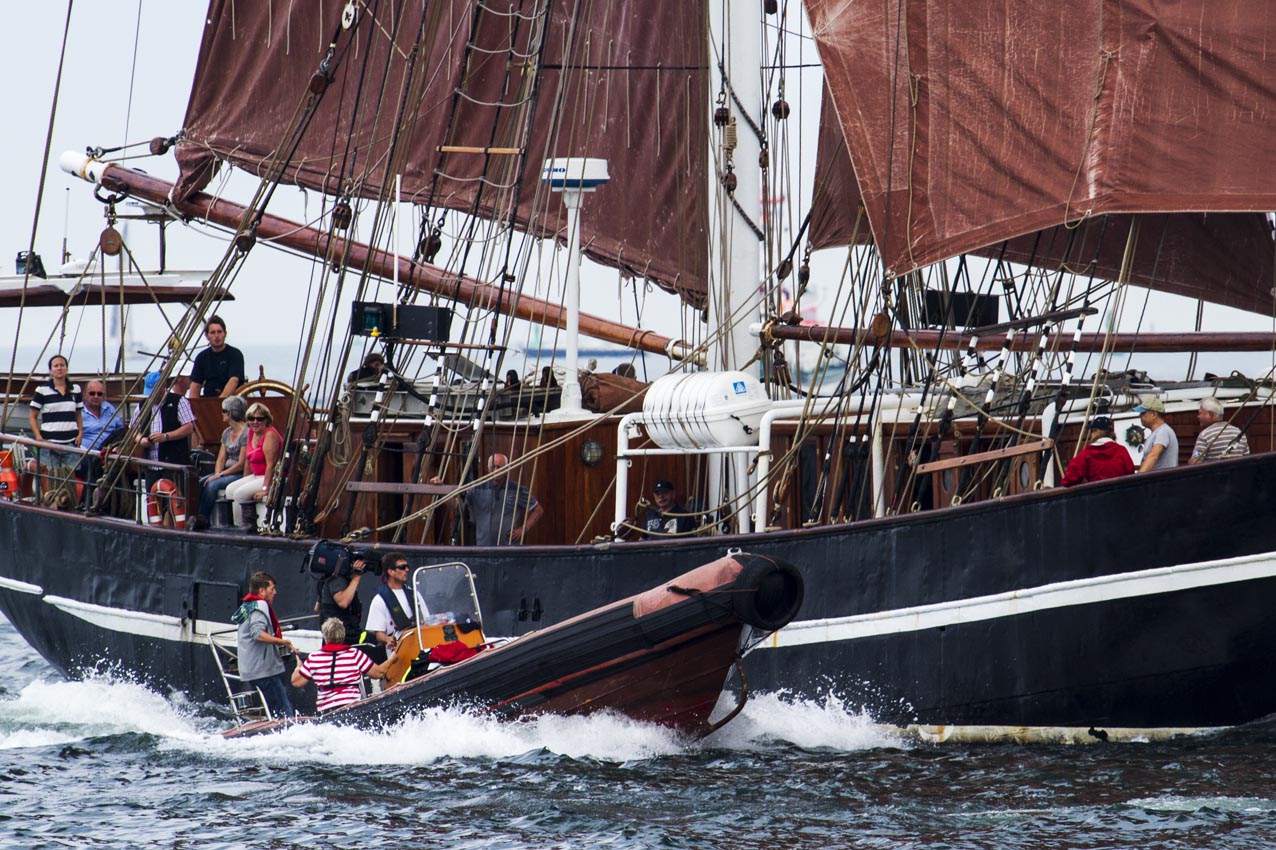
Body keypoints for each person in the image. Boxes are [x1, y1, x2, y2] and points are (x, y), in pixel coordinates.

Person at [436, 453, 543, 546]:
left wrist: (523, 529)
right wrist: (442, 489)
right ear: (488, 468)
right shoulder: (476, 489)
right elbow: (455, 506)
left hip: (509, 548)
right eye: (493, 467)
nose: (496, 470)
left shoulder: (516, 490)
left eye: (499, 467)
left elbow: (537, 510)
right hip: (483, 548)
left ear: (507, 468)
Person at [291, 618, 394, 713]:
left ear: (325, 636)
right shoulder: (354, 654)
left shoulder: (314, 657)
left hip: (327, 710)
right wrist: (394, 657)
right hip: (352, 707)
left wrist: (298, 667)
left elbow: (296, 682)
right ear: (343, 635)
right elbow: (378, 673)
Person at [232, 571, 296, 718]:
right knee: (284, 712)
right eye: (272, 589)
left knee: (273, 709)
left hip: (250, 669)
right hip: (263, 670)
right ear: (261, 591)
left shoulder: (248, 605)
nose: (275, 592)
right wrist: (282, 641)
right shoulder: (260, 606)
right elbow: (257, 633)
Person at [193, 395, 250, 529]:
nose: (221, 414)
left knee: (212, 485)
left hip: (239, 473)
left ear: (230, 413)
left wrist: (220, 475)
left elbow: (241, 463)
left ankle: (203, 519)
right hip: (226, 472)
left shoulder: (246, 433)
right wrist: (218, 473)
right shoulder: (226, 433)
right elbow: (221, 458)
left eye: (224, 411)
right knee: (199, 482)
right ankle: (193, 516)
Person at [224, 402, 282, 533]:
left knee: (240, 494)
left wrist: (265, 489)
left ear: (266, 420)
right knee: (230, 489)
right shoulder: (251, 433)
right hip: (256, 475)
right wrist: (245, 481)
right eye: (251, 418)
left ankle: (242, 529)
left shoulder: (270, 435)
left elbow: (271, 465)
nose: (255, 422)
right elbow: (248, 462)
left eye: (259, 419)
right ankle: (233, 526)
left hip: (269, 477)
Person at [364, 552, 428, 655]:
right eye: (402, 567)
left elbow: (427, 620)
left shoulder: (415, 594)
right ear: (391, 571)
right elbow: (379, 633)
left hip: (420, 646)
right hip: (398, 652)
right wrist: (388, 639)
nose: (407, 570)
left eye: (407, 566)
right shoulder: (379, 600)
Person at [28, 354, 83, 467]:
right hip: (49, 445)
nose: (59, 368)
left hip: (71, 444)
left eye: (62, 365)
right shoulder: (42, 390)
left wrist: (80, 433)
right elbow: (32, 416)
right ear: (51, 371)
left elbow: (78, 415)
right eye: (56, 366)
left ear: (66, 369)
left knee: (70, 481)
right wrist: (38, 437)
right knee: (50, 480)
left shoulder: (76, 390)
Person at [1059, 417, 1135, 487]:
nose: (1091, 435)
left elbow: (1069, 479)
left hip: (1096, 498)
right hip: (1120, 496)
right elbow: (1131, 473)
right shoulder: (1121, 451)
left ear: (1096, 431)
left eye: (1092, 431)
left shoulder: (1087, 453)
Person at [189, 315, 246, 399]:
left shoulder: (235, 354)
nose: (216, 336)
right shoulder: (201, 358)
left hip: (232, 402)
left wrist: (219, 402)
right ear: (206, 336)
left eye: (219, 332)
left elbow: (234, 380)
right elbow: (195, 385)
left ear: (225, 334)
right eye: (212, 332)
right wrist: (194, 407)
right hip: (208, 401)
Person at [1189, 397, 1250, 464]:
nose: (1198, 416)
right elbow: (1247, 460)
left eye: (1200, 413)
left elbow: (1195, 462)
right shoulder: (1239, 433)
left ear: (1210, 414)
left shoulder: (1205, 435)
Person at [1133, 395, 1179, 472]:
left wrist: (1138, 478)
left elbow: (1153, 455)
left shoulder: (1163, 431)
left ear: (1154, 414)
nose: (1139, 416)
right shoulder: (1159, 432)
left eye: (1143, 413)